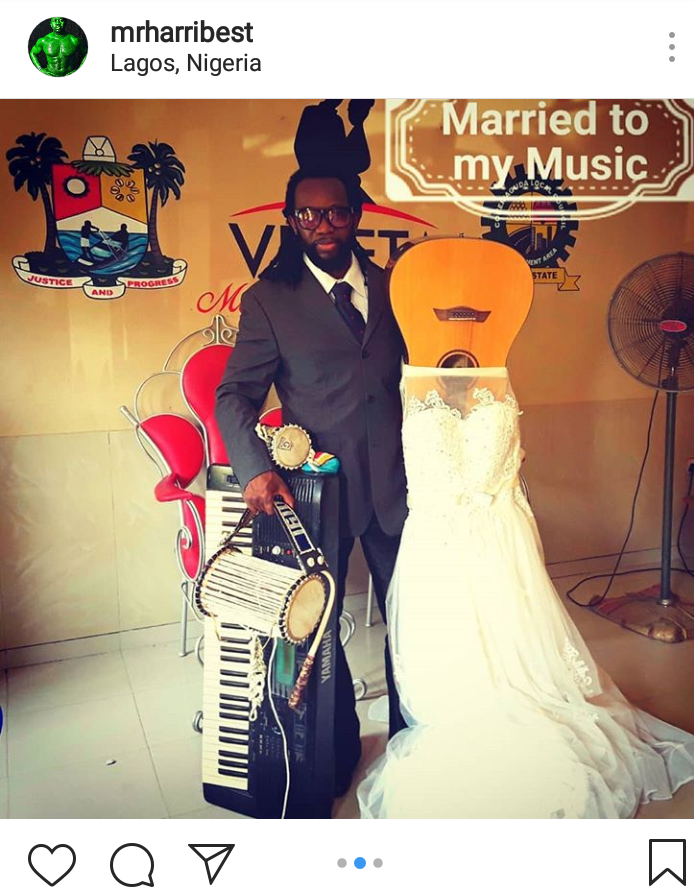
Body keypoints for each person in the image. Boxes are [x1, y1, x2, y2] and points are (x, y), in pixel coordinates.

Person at [358, 364, 694, 818]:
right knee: (451, 642)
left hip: (493, 538)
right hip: (443, 541)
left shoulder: (498, 359)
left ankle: (498, 705)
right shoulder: (410, 357)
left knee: (507, 645)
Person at [215, 167, 408, 799]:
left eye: (336, 213)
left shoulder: (393, 286)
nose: (323, 225)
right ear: (292, 221)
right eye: (308, 215)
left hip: (400, 488)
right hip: (319, 493)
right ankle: (332, 750)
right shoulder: (271, 299)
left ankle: (414, 736)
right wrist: (255, 467)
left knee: (409, 615)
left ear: (356, 215)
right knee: (317, 630)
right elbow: (235, 393)